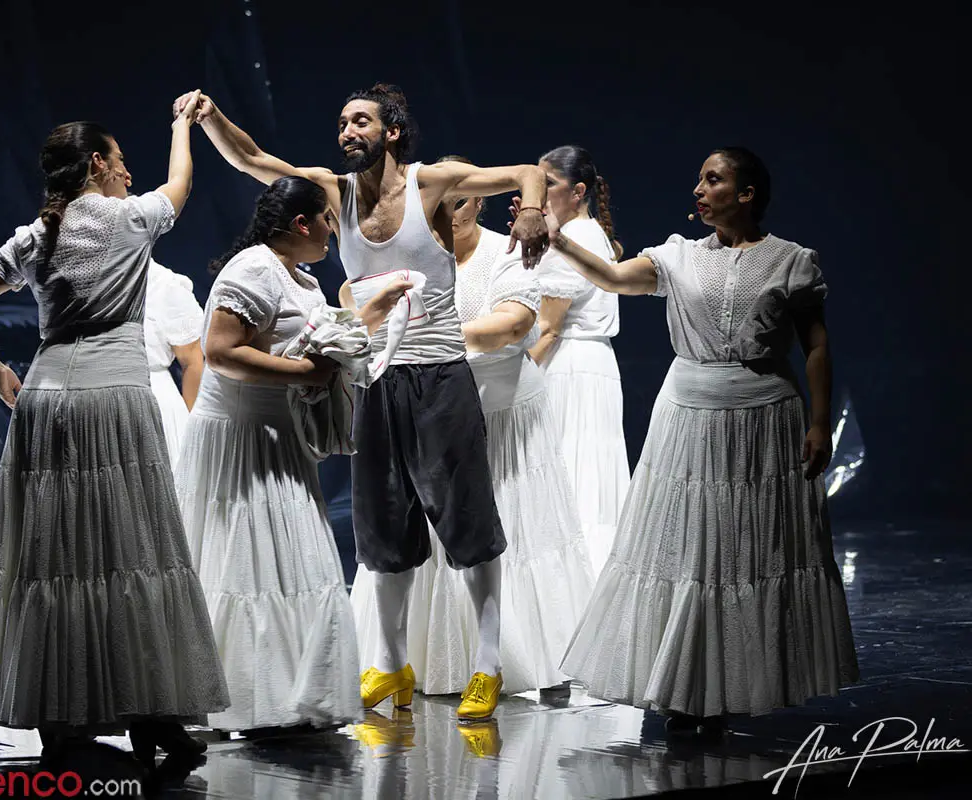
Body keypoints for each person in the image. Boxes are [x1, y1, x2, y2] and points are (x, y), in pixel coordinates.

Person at [176, 82, 550, 721]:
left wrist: (533, 211)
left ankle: (485, 667)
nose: (347, 131)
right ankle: (392, 666)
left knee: (465, 519)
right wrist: (211, 119)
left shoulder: (432, 185)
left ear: (392, 132)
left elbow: (526, 171)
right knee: (383, 525)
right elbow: (253, 160)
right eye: (342, 122)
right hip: (374, 377)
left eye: (360, 121)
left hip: (438, 372)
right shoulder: (334, 192)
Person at [0, 93, 230, 771]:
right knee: (134, 557)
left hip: (46, 399)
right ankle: (156, 715)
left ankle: (59, 722)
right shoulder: (130, 219)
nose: (129, 171)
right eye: (120, 160)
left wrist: (2, 372)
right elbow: (180, 185)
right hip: (115, 400)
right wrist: (182, 125)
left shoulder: (37, 234)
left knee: (53, 562)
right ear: (97, 163)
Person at [531, 147, 859, 733]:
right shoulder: (677, 257)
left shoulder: (790, 261)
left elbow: (815, 345)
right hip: (688, 415)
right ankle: (683, 688)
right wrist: (555, 238)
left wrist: (818, 421)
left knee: (743, 555)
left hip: (763, 418)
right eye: (699, 181)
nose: (699, 190)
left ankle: (733, 686)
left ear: (746, 193)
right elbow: (611, 277)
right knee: (686, 553)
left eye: (714, 180)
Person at [347, 155, 596, 699]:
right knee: (403, 530)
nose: (446, 212)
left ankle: (506, 658)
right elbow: (356, 303)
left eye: (458, 202)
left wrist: (429, 342)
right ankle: (404, 662)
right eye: (437, 203)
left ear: (477, 200)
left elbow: (514, 324)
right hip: (427, 407)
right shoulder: (408, 251)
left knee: (484, 529)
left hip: (499, 413)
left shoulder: (502, 252)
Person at [174, 176, 411, 733]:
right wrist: (305, 372)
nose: (334, 229)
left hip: (278, 436)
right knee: (248, 561)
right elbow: (220, 351)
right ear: (301, 224)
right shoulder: (253, 269)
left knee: (292, 563)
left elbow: (317, 338)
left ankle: (288, 696)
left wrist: (372, 312)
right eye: (327, 219)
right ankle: (245, 694)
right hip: (243, 439)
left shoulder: (298, 279)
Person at [527, 146, 631, 576]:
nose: (540, 191)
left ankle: (576, 589)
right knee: (584, 475)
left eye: (548, 183)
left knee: (572, 475)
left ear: (579, 191)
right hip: (589, 364)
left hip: (568, 365)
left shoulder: (577, 242)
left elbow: (549, 328)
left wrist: (508, 377)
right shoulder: (585, 236)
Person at [143, 259, 205, 470]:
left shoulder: (164, 284)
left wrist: (192, 427)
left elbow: (192, 362)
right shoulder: (84, 276)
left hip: (155, 401)